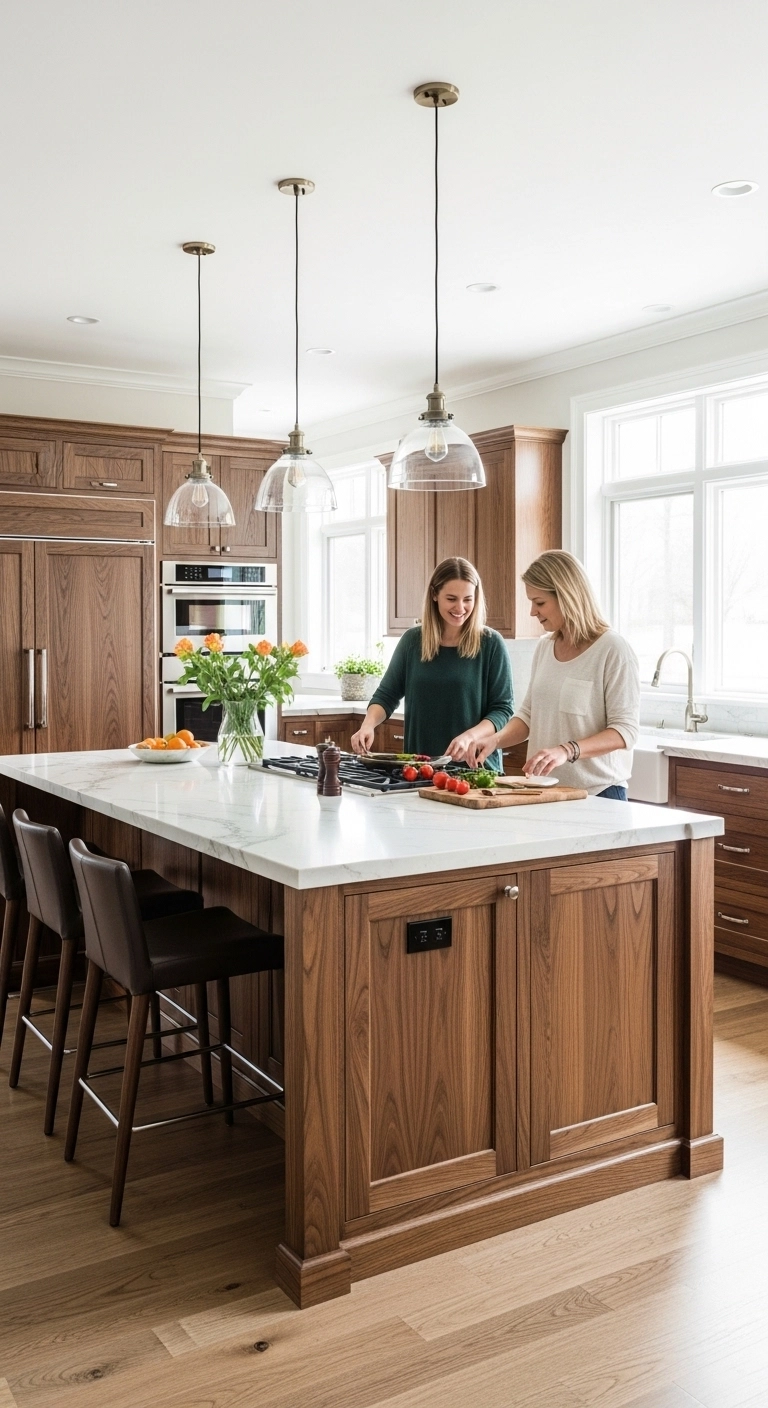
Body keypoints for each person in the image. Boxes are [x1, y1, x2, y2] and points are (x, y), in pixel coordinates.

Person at [467, 550, 639, 798]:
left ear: (567, 597)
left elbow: (625, 731)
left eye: (539, 602)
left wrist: (566, 750)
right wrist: (495, 740)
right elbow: (528, 715)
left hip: (598, 793)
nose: (532, 612)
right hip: (545, 791)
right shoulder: (545, 647)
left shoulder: (612, 650)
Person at [351, 557, 513, 771]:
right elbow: (387, 695)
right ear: (435, 595)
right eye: (451, 599)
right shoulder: (412, 641)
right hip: (420, 769)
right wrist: (368, 725)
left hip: (475, 769)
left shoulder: (491, 644)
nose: (460, 607)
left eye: (467, 599)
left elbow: (502, 709)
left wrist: (469, 736)